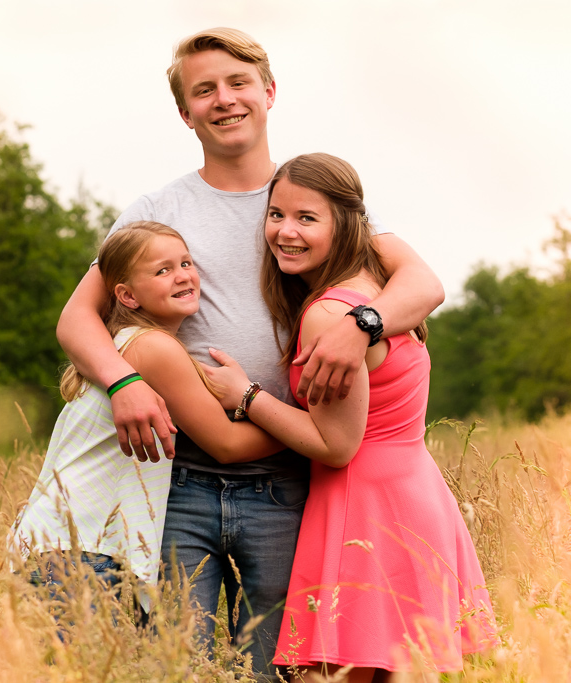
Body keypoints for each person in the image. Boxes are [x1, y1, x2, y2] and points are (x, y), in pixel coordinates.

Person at [56, 28, 444, 679]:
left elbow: (424, 283)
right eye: (203, 90)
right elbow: (77, 317)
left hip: (290, 483)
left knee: (286, 667)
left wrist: (362, 324)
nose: (223, 99)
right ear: (185, 112)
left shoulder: (303, 195)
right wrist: (123, 381)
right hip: (180, 483)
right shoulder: (159, 207)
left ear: (268, 92)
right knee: (187, 664)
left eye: (238, 83)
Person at [207, 153, 498, 680]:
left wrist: (245, 395)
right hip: (414, 493)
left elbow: (336, 444)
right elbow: (427, 285)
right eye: (276, 215)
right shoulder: (379, 276)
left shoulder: (327, 313)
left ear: (345, 222)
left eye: (306, 218)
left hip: (360, 502)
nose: (285, 232)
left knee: (329, 673)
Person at [11, 222, 281, 626]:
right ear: (127, 295)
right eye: (163, 270)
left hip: (60, 544)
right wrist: (310, 432)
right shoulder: (153, 349)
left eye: (186, 263)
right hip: (85, 553)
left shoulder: (120, 346)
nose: (183, 275)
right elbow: (227, 444)